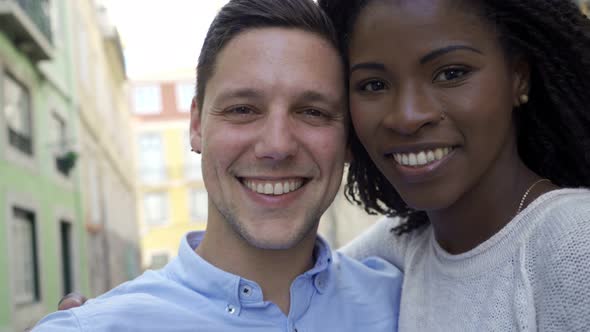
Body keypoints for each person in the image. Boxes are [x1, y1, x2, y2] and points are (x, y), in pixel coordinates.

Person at [32, 0, 402, 331]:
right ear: (196, 126)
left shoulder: (408, 302)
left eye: (313, 112)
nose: (277, 145)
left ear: (349, 136)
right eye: (243, 109)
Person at [317, 0, 590, 330]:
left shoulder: (575, 244)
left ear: (519, 77)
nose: (408, 116)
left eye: (450, 74)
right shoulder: (398, 248)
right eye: (374, 84)